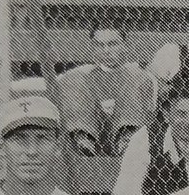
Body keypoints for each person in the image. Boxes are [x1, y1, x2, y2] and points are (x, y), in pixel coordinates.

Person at [110, 90, 189, 195]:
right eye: (181, 114)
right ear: (167, 115)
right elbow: (126, 191)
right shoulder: (147, 137)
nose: (188, 122)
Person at [58, 26, 159, 157]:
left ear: (124, 45)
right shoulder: (81, 74)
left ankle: (127, 139)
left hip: (132, 137)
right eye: (99, 45)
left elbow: (151, 111)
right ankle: (82, 138)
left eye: (113, 44)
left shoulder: (140, 75)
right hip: (93, 135)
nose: (106, 51)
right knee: (73, 77)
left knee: (136, 75)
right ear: (93, 47)